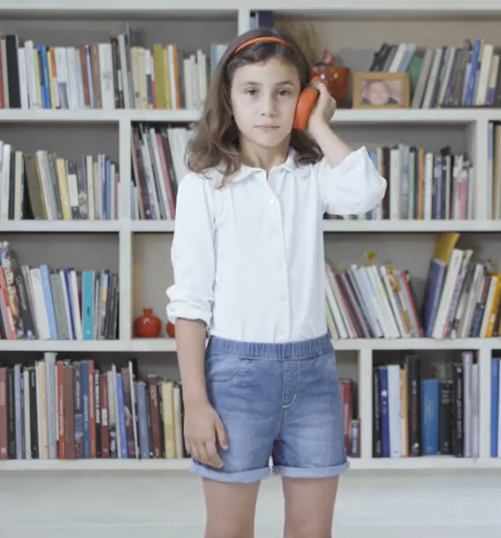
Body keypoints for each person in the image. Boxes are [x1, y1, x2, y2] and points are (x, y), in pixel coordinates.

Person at [165, 26, 387, 538]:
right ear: (229, 99)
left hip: (313, 375)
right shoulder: (204, 187)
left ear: (302, 99)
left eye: (284, 92)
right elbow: (191, 304)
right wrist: (196, 403)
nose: (268, 108)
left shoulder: (312, 176)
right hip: (235, 377)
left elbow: (367, 190)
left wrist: (319, 123)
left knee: (313, 530)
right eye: (252, 92)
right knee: (229, 530)